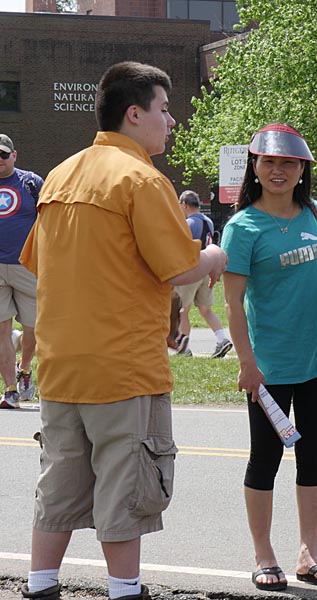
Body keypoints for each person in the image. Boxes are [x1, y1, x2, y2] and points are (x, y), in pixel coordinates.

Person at [18, 61, 228, 600]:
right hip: (123, 366)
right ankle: (124, 591)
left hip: (61, 364)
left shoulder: (60, 175)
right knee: (128, 485)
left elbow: (39, 262)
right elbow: (179, 267)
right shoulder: (142, 179)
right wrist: (216, 253)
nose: (172, 121)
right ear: (134, 114)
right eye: (163, 109)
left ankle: (39, 585)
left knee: (59, 483)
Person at [220, 123, 317, 592]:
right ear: (255, 167)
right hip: (268, 365)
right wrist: (247, 364)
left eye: (289, 163)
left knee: (314, 457)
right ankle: (264, 555)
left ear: (302, 170)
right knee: (265, 459)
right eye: (270, 162)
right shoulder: (243, 227)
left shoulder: (314, 212)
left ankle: (308, 554)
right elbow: (233, 304)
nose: (279, 171)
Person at [0, 133, 43, 408]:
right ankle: (10, 391)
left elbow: (50, 216)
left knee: (33, 329)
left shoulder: (31, 183)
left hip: (27, 266)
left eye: (4, 155)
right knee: (1, 330)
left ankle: (24, 369)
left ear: (14, 155)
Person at [173, 189, 233, 358]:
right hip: (207, 271)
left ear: (184, 204)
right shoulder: (208, 221)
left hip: (192, 270)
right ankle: (222, 339)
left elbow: (184, 247)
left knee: (182, 310)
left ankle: (184, 347)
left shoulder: (189, 223)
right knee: (206, 309)